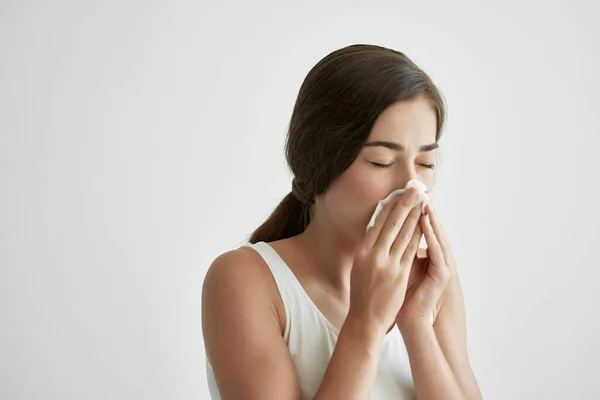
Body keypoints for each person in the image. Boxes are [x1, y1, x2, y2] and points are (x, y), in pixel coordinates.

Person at [202, 44, 482, 400]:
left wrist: (416, 322)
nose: (412, 186)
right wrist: (367, 321)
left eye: (426, 164)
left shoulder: (434, 283)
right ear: (320, 162)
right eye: (381, 161)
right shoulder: (245, 280)